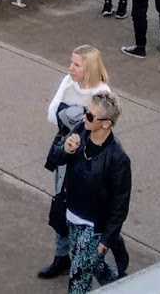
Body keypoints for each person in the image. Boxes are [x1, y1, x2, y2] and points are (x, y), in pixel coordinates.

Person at [37, 45, 112, 280]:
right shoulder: (68, 82)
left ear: (89, 67)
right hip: (65, 152)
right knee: (61, 204)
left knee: (86, 213)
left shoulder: (102, 92)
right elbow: (51, 115)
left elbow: (101, 129)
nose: (71, 68)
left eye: (76, 64)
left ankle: (98, 265)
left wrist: (69, 118)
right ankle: (62, 256)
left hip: (88, 160)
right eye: (71, 62)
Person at [46, 92, 131, 294]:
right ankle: (122, 288)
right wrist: (66, 150)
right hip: (71, 215)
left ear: (106, 123)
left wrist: (105, 240)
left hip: (93, 228)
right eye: (86, 112)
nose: (85, 117)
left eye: (91, 116)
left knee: (78, 282)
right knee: (90, 265)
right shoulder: (80, 132)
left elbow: (120, 204)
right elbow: (54, 159)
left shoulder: (117, 158)